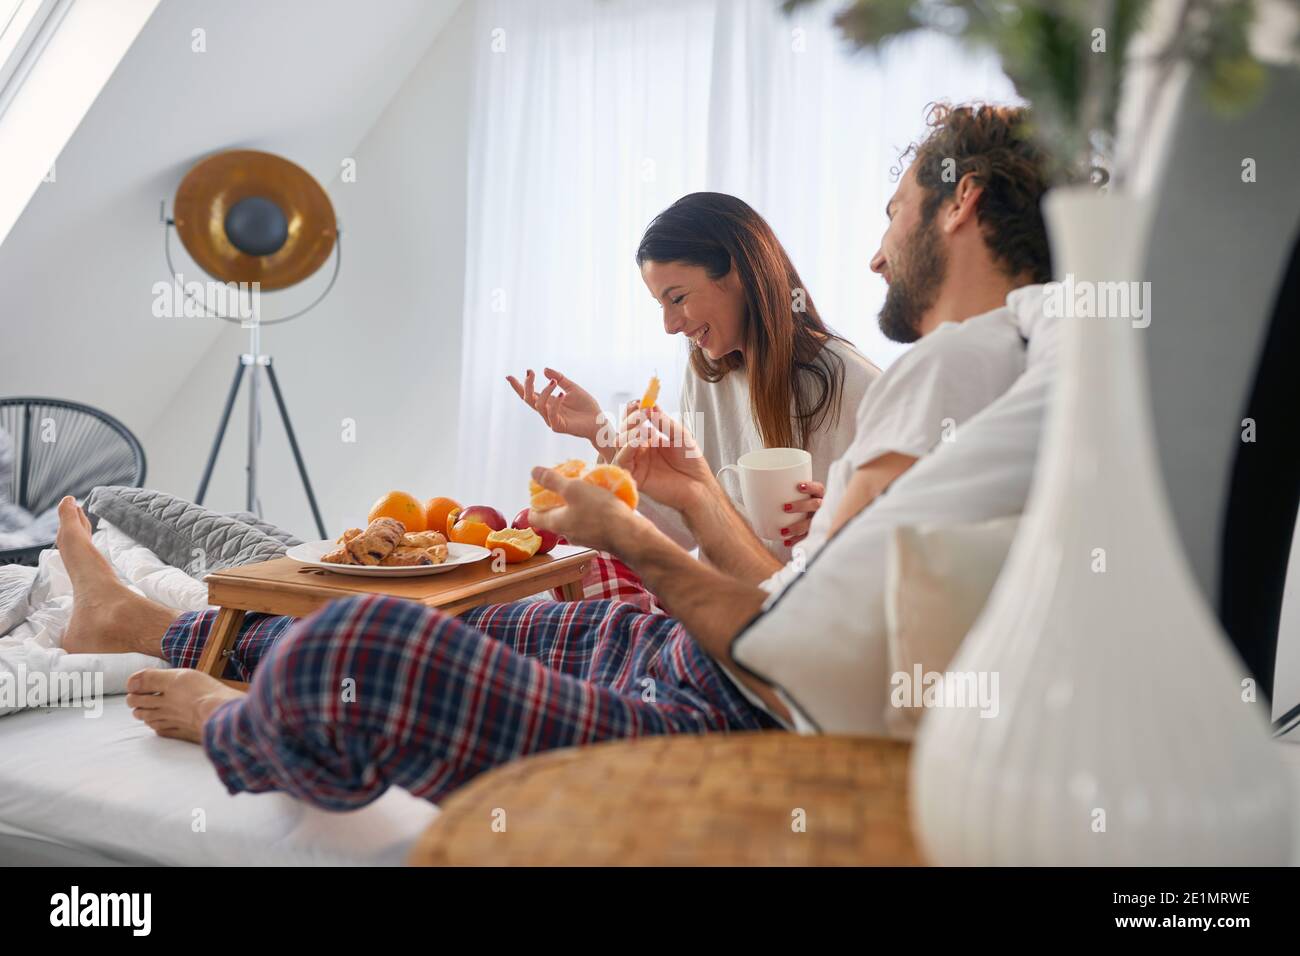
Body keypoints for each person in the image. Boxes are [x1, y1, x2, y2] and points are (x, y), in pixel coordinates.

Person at [60, 103, 1053, 809]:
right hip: (701, 660)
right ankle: (148, 619)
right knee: (483, 617)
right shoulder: (1001, 370)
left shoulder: (952, 367)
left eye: (891, 212)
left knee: (369, 643)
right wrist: (680, 498)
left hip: (733, 719)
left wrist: (633, 533)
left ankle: (228, 719)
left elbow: (802, 649)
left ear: (958, 202)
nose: (878, 250)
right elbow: (799, 609)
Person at [508, 192, 880, 555]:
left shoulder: (850, 381)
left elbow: (907, 532)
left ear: (737, 273)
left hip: (801, 605)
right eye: (661, 305)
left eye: (678, 298)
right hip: (725, 600)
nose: (669, 325)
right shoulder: (706, 374)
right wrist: (600, 431)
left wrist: (838, 524)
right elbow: (686, 529)